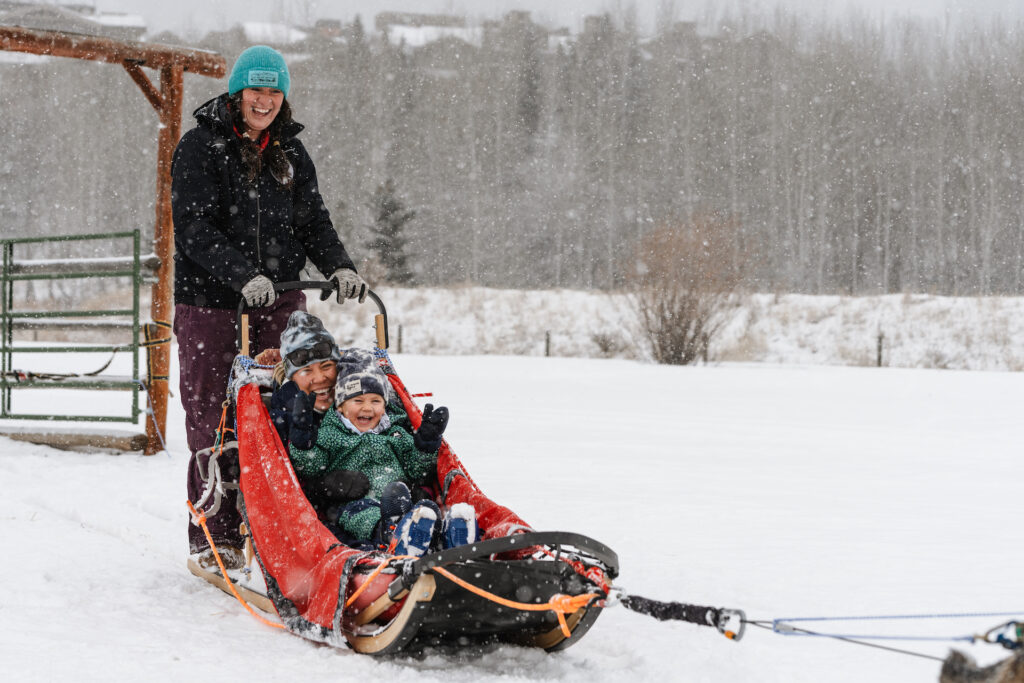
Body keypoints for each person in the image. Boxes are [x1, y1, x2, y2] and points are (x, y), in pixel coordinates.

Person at [172, 45, 368, 568]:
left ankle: (277, 530)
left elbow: (313, 221)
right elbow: (193, 228)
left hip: (279, 304)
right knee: (216, 420)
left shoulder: (291, 155)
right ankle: (215, 538)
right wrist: (242, 275)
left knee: (288, 412)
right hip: (212, 307)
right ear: (237, 95)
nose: (265, 101)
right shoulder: (200, 147)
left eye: (274, 92)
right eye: (256, 91)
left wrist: (340, 267)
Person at [287, 358, 476, 556]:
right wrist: (302, 441)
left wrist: (426, 445)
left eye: (375, 401)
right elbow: (310, 467)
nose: (367, 408)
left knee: (426, 508)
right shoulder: (331, 434)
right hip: (355, 503)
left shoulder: (396, 433)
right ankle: (393, 534)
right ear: (340, 407)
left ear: (385, 406)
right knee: (368, 515)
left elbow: (417, 470)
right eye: (358, 401)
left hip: (403, 500)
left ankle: (448, 539)